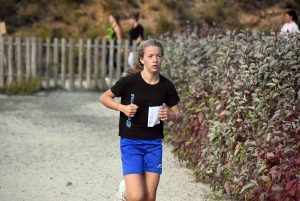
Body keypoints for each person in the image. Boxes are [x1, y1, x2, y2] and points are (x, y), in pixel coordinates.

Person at [99, 39, 183, 201]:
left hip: (154, 144)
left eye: (158, 56)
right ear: (141, 59)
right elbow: (104, 98)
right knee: (137, 196)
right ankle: (124, 192)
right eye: (150, 56)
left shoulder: (167, 86)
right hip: (131, 143)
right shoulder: (129, 82)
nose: (155, 60)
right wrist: (122, 108)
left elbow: (180, 116)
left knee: (149, 198)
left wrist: (171, 116)